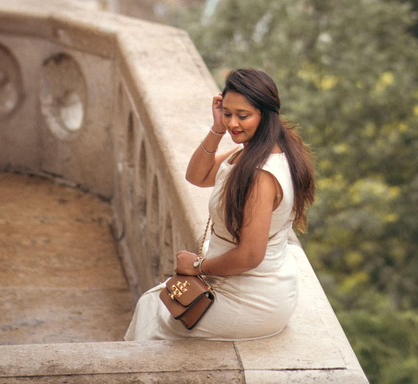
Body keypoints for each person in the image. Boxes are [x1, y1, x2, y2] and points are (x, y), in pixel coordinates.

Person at [124, 69, 315, 341]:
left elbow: (250, 256)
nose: (233, 123)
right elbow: (197, 176)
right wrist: (216, 129)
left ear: (266, 114)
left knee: (159, 321)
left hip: (253, 298)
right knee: (151, 302)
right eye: (227, 113)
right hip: (235, 282)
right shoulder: (252, 150)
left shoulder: (261, 175)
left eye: (243, 115)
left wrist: (198, 266)